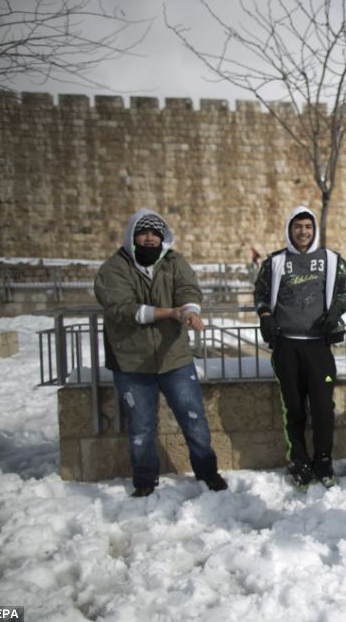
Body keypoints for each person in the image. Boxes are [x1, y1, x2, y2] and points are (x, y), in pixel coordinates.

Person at [94, 209, 227, 498]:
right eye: (144, 232)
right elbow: (122, 309)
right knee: (141, 426)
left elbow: (188, 289)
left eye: (155, 232)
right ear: (132, 235)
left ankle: (207, 472)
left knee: (194, 418)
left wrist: (190, 311)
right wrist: (169, 312)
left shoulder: (173, 262)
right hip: (131, 362)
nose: (150, 238)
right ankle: (144, 480)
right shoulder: (114, 268)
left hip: (174, 358)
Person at [253, 206, 346, 490]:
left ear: (314, 230)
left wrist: (335, 312)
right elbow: (260, 293)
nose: (303, 232)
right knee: (293, 409)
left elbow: (345, 291)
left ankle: (323, 461)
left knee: (322, 409)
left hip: (319, 347)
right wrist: (265, 316)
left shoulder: (331, 260)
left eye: (308, 227)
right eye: (298, 227)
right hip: (287, 347)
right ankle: (299, 461)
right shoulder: (275, 263)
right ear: (289, 230)